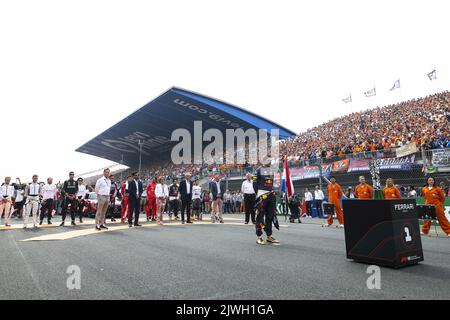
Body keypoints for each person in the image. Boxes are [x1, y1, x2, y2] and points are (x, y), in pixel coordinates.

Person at [254, 167, 280, 245]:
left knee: (270, 216)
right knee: (260, 216)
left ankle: (269, 236)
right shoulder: (257, 170)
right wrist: (258, 194)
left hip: (270, 195)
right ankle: (258, 237)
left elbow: (271, 183)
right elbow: (254, 184)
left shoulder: (271, 171)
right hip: (262, 195)